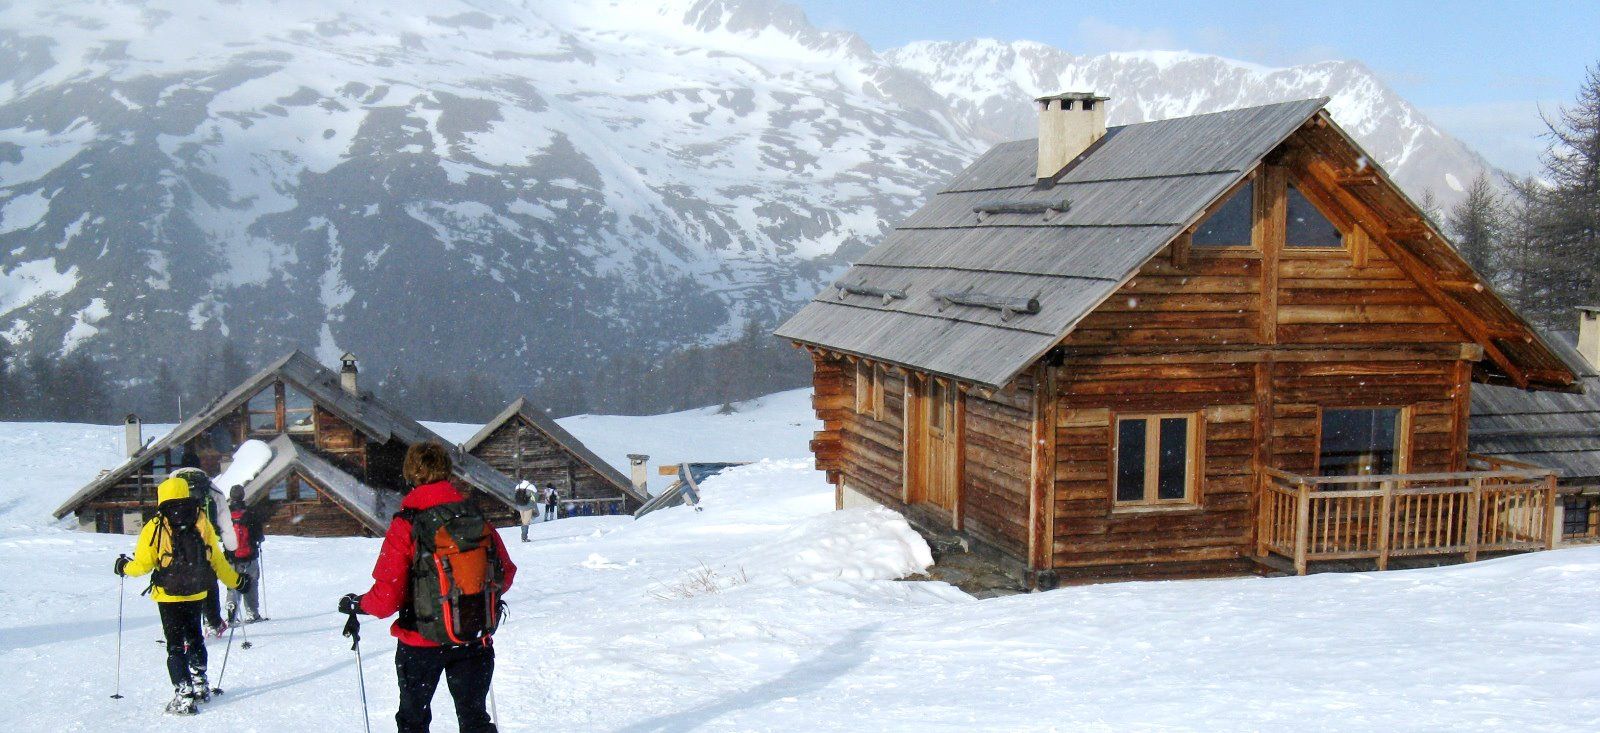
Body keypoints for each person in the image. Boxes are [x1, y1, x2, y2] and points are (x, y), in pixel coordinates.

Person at [339, 443, 517, 733]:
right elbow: (505, 574)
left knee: (414, 722)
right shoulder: (473, 517)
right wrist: (466, 594)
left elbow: (386, 598)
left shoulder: (407, 523)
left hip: (420, 642)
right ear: (447, 470)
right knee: (474, 720)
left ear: (411, 474)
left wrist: (359, 604)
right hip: (472, 636)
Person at [114, 476, 248, 716]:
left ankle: (184, 695)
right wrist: (237, 581)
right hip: (197, 591)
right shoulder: (200, 520)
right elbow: (215, 559)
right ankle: (200, 684)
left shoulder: (156, 525)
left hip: (168, 595)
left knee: (175, 646)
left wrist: (124, 567)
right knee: (195, 637)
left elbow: (143, 565)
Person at [174, 464, 235, 637]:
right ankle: (213, 621)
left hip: (180, 547)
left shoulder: (171, 487)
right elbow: (225, 520)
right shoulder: (210, 488)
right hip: (207, 545)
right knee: (209, 583)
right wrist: (231, 547)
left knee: (183, 585)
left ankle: (185, 630)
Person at [225, 485, 266, 624]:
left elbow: (221, 534)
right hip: (249, 556)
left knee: (233, 583)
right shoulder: (250, 513)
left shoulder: (226, 514)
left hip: (231, 556)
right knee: (251, 584)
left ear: (231, 496)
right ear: (243, 495)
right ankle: (252, 613)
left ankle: (232, 610)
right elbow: (259, 536)